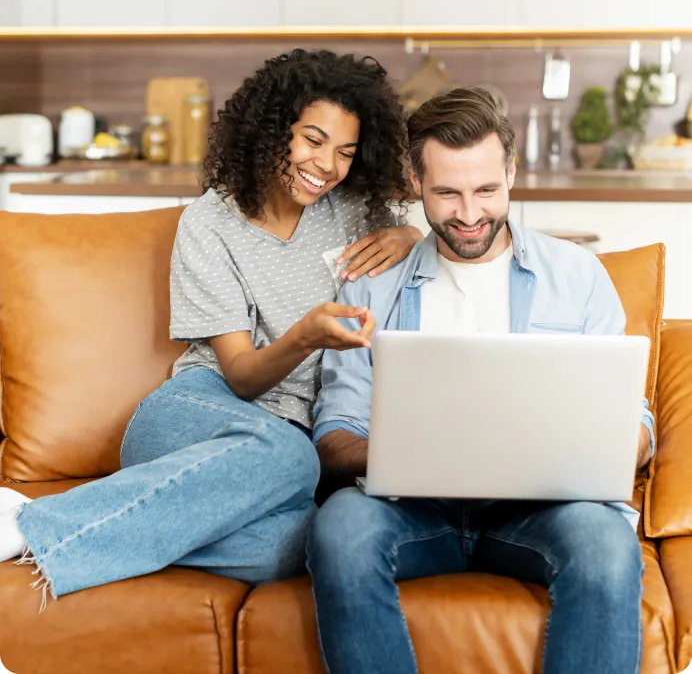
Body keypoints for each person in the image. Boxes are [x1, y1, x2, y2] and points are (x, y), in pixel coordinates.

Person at [0, 49, 423, 609]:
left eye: (345, 152)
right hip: (198, 415)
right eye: (312, 139)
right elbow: (244, 377)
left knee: (293, 545)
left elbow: (449, 237)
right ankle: (33, 523)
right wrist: (305, 335)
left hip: (273, 458)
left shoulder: (352, 211)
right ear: (274, 128)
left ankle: (143, 517)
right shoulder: (210, 223)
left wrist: (411, 239)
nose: (326, 165)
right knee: (295, 458)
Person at [307, 87, 655, 674]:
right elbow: (334, 430)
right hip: (414, 513)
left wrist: (606, 447)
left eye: (486, 190)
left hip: (539, 513)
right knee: (339, 527)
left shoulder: (579, 276)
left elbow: (637, 426)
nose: (469, 215)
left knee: (604, 542)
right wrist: (405, 455)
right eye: (446, 193)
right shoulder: (370, 286)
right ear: (415, 181)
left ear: (512, 173)